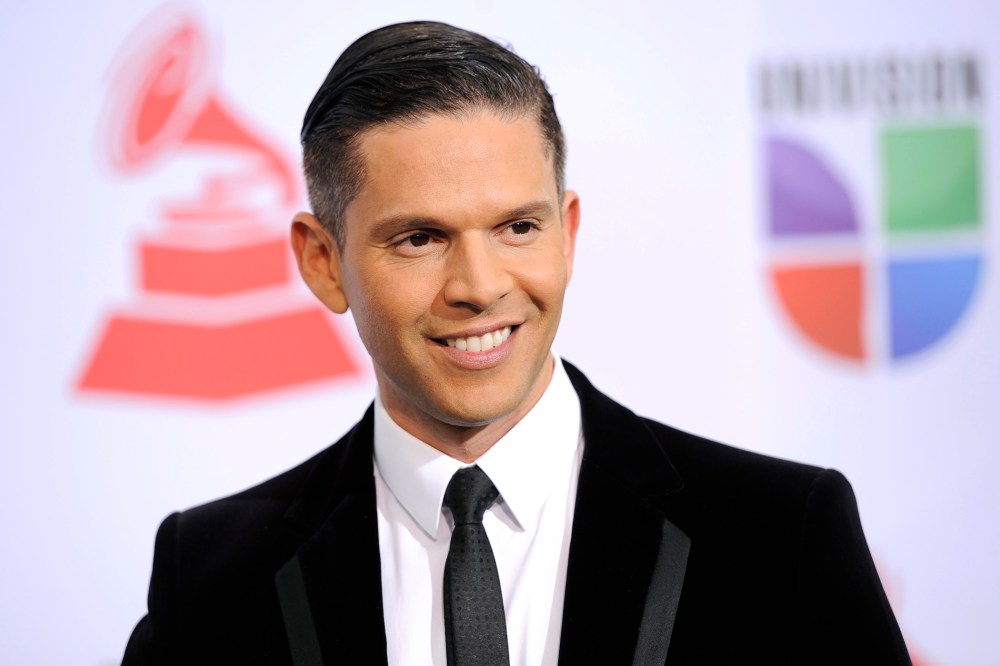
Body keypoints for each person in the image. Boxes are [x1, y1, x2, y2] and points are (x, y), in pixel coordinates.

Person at [122, 21, 911, 665]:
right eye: (420, 238)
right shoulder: (214, 577)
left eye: (517, 228)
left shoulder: (781, 535)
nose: (479, 284)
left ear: (567, 234)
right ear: (322, 262)